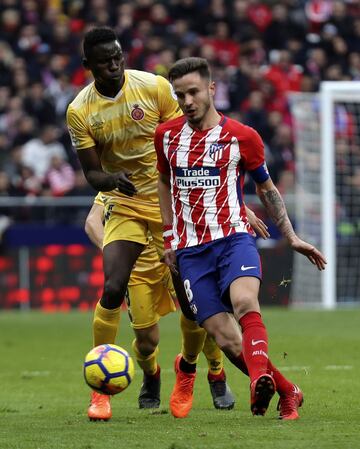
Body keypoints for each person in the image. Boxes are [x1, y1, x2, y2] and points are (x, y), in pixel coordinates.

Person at [66, 26, 236, 421]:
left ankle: (200, 371)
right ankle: (103, 393)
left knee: (193, 300)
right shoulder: (80, 111)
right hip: (123, 205)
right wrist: (110, 182)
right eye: (106, 59)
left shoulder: (154, 87)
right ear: (88, 65)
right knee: (116, 293)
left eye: (119, 55)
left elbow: (187, 136)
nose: (115, 63)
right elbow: (92, 172)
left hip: (169, 206)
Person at [155, 57, 327, 419]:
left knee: (246, 303)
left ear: (212, 90)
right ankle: (288, 391)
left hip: (234, 239)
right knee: (227, 340)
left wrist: (291, 236)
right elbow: (163, 182)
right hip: (190, 252)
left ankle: (255, 385)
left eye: (193, 92)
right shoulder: (166, 136)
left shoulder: (243, 137)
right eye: (180, 94)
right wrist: (170, 238)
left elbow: (267, 190)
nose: (187, 101)